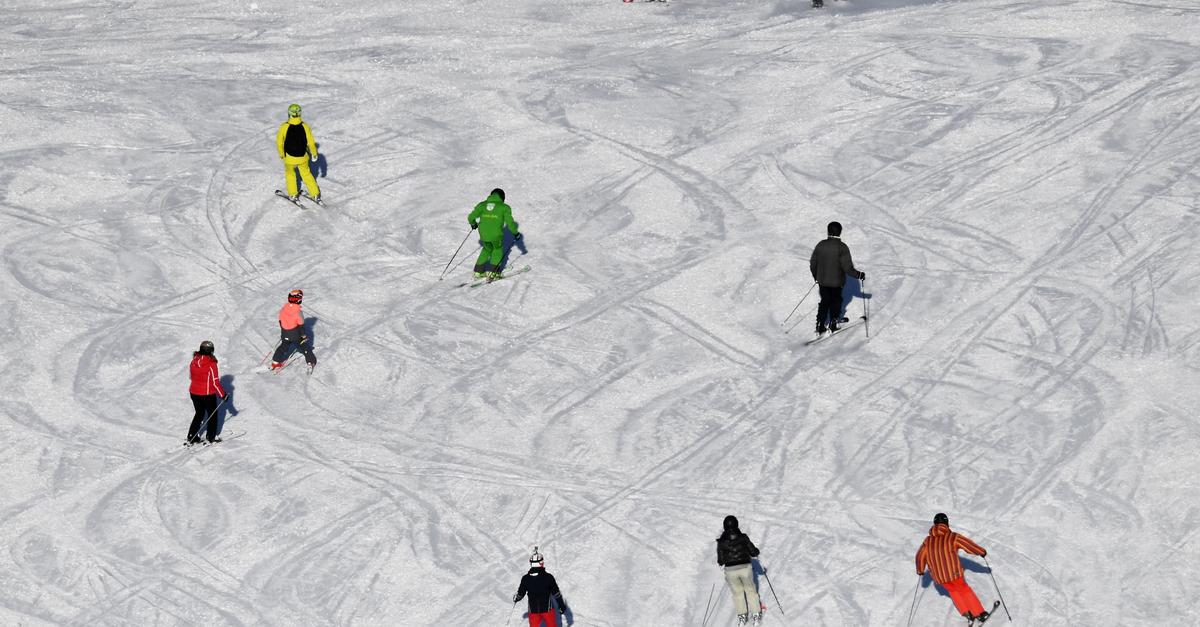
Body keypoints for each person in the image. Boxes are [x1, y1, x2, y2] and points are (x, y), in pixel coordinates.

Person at [915, 513, 994, 624]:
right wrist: (981, 551)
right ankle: (979, 614)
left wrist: (920, 570)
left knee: (953, 591)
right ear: (946, 523)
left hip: (939, 577)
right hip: (953, 573)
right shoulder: (952, 537)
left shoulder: (927, 541)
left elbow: (920, 556)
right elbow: (968, 545)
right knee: (964, 590)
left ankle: (967, 614)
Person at [809, 220, 865, 335]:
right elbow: (847, 268)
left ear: (828, 231)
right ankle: (833, 322)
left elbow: (813, 263)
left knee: (825, 300)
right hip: (837, 282)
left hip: (822, 281)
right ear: (840, 232)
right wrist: (859, 275)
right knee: (836, 300)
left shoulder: (821, 245)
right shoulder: (842, 247)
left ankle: (820, 324)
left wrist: (816, 276)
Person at [716, 515, 763, 625]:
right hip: (745, 568)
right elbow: (753, 552)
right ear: (736, 524)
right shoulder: (743, 537)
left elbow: (720, 561)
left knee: (737, 594)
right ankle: (756, 615)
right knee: (751, 591)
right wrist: (756, 552)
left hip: (730, 571)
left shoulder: (721, 542)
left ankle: (742, 617)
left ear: (724, 526)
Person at [468, 188, 521, 281]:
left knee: (486, 249)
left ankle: (478, 271)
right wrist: (516, 233)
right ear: (502, 197)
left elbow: (470, 217)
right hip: (496, 235)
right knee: (497, 250)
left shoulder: (482, 205)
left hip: (483, 234)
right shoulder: (504, 207)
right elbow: (510, 223)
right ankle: (493, 272)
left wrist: (473, 224)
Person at [513, 548, 570, 627]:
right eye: (542, 562)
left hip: (533, 611)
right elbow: (556, 593)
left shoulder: (525, 578)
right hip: (548, 610)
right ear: (541, 563)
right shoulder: (548, 577)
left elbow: (520, 593)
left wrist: (517, 598)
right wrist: (561, 605)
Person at [275, 103, 320, 202]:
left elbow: (279, 142)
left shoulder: (284, 127)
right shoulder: (305, 126)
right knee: (306, 174)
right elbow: (311, 142)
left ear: (289, 114)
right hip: (303, 157)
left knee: (290, 174)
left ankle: (293, 195)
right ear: (300, 114)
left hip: (289, 158)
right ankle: (315, 194)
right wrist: (314, 153)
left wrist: (282, 154)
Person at [187, 340, 227, 445]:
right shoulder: (211, 364)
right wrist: (223, 395)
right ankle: (210, 437)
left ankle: (192, 436)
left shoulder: (194, 360)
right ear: (211, 351)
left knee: (199, 413)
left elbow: (191, 376)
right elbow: (215, 382)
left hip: (194, 392)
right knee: (212, 414)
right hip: (207, 394)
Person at [270, 289, 317, 371]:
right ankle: (311, 361)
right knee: (303, 346)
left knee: (283, 346)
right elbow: (301, 326)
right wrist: (304, 336)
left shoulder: (283, 309)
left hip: (285, 333)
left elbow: (280, 321)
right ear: (299, 300)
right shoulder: (298, 312)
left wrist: (285, 331)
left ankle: (275, 361)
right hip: (295, 335)